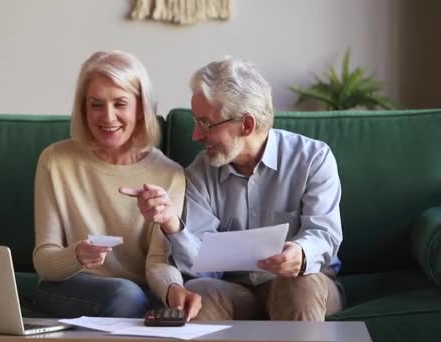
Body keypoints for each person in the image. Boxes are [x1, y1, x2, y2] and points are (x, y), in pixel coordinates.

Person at [121, 57, 344, 321]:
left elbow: (324, 234)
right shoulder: (199, 172)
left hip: (305, 283)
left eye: (205, 123)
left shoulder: (312, 158)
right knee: (199, 291)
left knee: (297, 283)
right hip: (237, 291)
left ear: (246, 125)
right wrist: (173, 225)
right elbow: (202, 267)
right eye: (195, 121)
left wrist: (301, 254)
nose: (195, 135)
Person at [32, 50, 201, 320]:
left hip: (135, 295)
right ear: (83, 108)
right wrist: (76, 255)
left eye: (120, 104)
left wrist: (173, 289)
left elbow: (158, 261)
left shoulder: (170, 174)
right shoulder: (55, 161)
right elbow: (44, 260)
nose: (107, 117)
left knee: (130, 295)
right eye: (96, 104)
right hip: (69, 287)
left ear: (141, 108)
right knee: (127, 295)